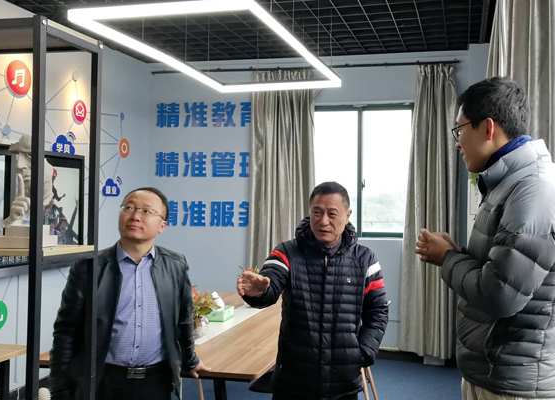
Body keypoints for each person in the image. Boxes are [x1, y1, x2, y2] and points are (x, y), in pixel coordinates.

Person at [415, 77, 555, 400]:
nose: (457, 143)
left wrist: (447, 258)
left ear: (488, 128)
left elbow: (500, 294)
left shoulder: (532, 190)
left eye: (459, 130)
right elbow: (503, 267)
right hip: (495, 372)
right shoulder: (508, 183)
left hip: (512, 382)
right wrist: (456, 252)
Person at [50, 187, 209, 400]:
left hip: (155, 382)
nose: (135, 216)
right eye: (129, 208)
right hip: (101, 381)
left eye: (146, 211)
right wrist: (59, 389)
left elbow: (183, 321)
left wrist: (190, 360)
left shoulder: (175, 265)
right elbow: (66, 330)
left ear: (162, 226)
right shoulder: (89, 267)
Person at [237, 181, 389, 400]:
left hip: (343, 382)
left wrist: (363, 352)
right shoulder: (287, 252)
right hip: (293, 380)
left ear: (347, 216)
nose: (323, 221)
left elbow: (378, 311)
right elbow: (271, 282)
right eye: (317, 212)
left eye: (332, 214)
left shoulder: (365, 259)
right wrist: (259, 291)